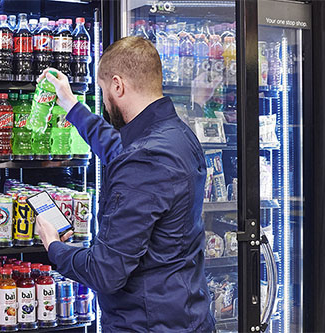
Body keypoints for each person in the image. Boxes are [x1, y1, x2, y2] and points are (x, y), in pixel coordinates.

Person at [35, 36, 215, 332]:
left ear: (117, 85)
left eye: (104, 92)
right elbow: (118, 148)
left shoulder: (146, 157)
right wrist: (70, 104)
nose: (105, 102)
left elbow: (106, 272)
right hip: (185, 315)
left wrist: (54, 246)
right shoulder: (177, 135)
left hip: (147, 324)